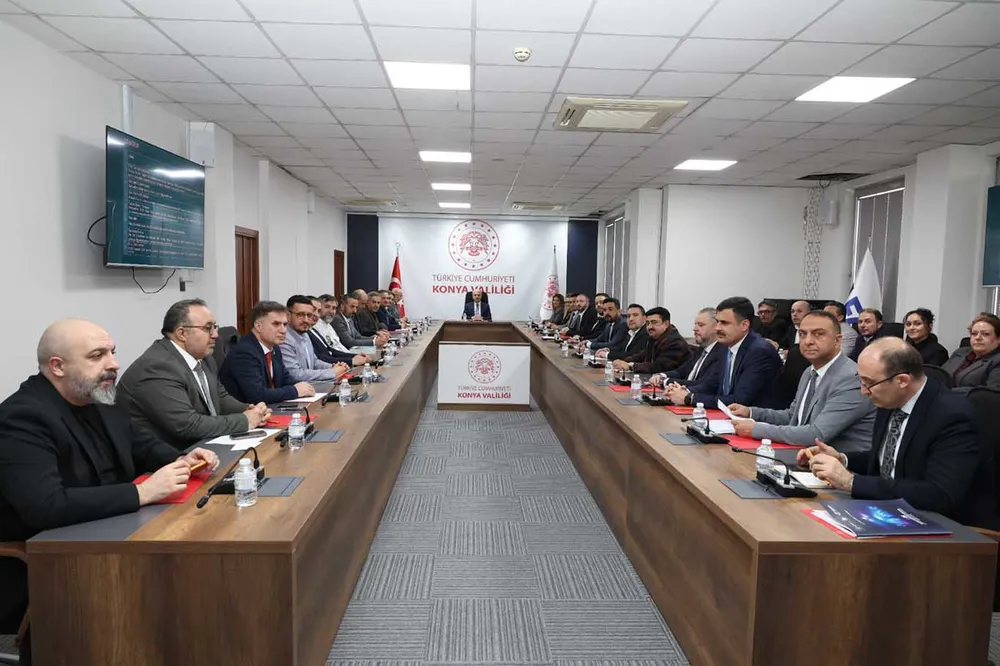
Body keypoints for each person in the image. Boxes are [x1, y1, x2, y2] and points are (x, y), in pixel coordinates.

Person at [0, 320, 220, 662]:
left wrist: (181, 458)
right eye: (97, 355)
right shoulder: (23, 417)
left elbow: (139, 444)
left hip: (116, 534)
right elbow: (46, 506)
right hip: (51, 562)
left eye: (112, 352)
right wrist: (142, 493)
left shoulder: (102, 396)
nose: (114, 364)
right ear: (57, 366)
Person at [801, 338, 996, 529]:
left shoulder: (953, 416)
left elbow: (939, 494)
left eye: (869, 383)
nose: (863, 391)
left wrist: (851, 481)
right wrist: (843, 459)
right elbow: (892, 458)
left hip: (947, 527)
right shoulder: (891, 399)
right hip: (889, 510)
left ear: (902, 380)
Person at [120, 299, 271, 449]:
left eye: (215, 327)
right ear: (182, 333)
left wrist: (249, 410)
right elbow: (187, 425)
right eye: (208, 328)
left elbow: (219, 397)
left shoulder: (204, 357)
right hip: (167, 455)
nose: (216, 335)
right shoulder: (158, 367)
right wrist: (245, 421)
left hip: (201, 447)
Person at [727, 310, 875, 452]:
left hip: (840, 464)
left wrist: (756, 429)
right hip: (804, 456)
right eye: (803, 334)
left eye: (818, 334)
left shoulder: (851, 378)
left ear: (837, 341)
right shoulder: (809, 372)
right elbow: (793, 417)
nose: (808, 341)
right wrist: (751, 412)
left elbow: (816, 434)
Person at [666, 296, 783, 409]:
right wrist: (683, 391)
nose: (717, 328)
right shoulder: (725, 346)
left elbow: (739, 400)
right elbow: (712, 384)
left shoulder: (759, 352)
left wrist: (690, 398)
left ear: (744, 325)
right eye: (717, 322)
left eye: (724, 323)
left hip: (755, 419)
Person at [220, 301, 316, 404]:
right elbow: (257, 395)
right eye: (276, 324)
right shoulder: (244, 352)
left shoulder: (274, 348)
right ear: (258, 326)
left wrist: (304, 387)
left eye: (284, 324)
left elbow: (285, 379)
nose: (283, 330)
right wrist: (295, 391)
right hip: (248, 411)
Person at [280, 295, 351, 383]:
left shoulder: (305, 334)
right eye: (301, 315)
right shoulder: (283, 338)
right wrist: (332, 372)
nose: (306, 320)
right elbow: (295, 374)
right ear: (288, 315)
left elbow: (314, 362)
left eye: (309, 315)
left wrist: (334, 367)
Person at [650, 307, 725, 387]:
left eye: (701, 325)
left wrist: (665, 381)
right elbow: (681, 371)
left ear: (716, 327)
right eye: (695, 325)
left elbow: (703, 384)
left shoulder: (721, 353)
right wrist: (662, 375)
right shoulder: (701, 349)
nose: (694, 329)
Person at [612, 307, 691, 374]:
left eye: (654, 322)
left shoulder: (675, 342)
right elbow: (640, 356)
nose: (649, 327)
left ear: (666, 324)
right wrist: (622, 362)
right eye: (647, 323)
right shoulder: (654, 338)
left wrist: (630, 366)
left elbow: (659, 367)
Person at [942, 313, 1000, 393]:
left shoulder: (997, 360)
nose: (978, 338)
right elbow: (939, 375)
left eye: (985, 334)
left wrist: (946, 391)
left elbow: (990, 393)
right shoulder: (960, 352)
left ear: (998, 339)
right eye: (974, 334)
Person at [774, 300, 813, 407]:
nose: (795, 314)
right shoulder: (792, 329)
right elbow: (782, 345)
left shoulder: (814, 332)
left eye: (799, 311)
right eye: (792, 311)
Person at [309, 295, 366, 366]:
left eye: (333, 308)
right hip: (336, 364)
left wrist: (354, 356)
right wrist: (351, 360)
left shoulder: (328, 325)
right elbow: (326, 355)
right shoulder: (316, 327)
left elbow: (334, 348)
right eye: (327, 307)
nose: (331, 311)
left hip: (343, 361)